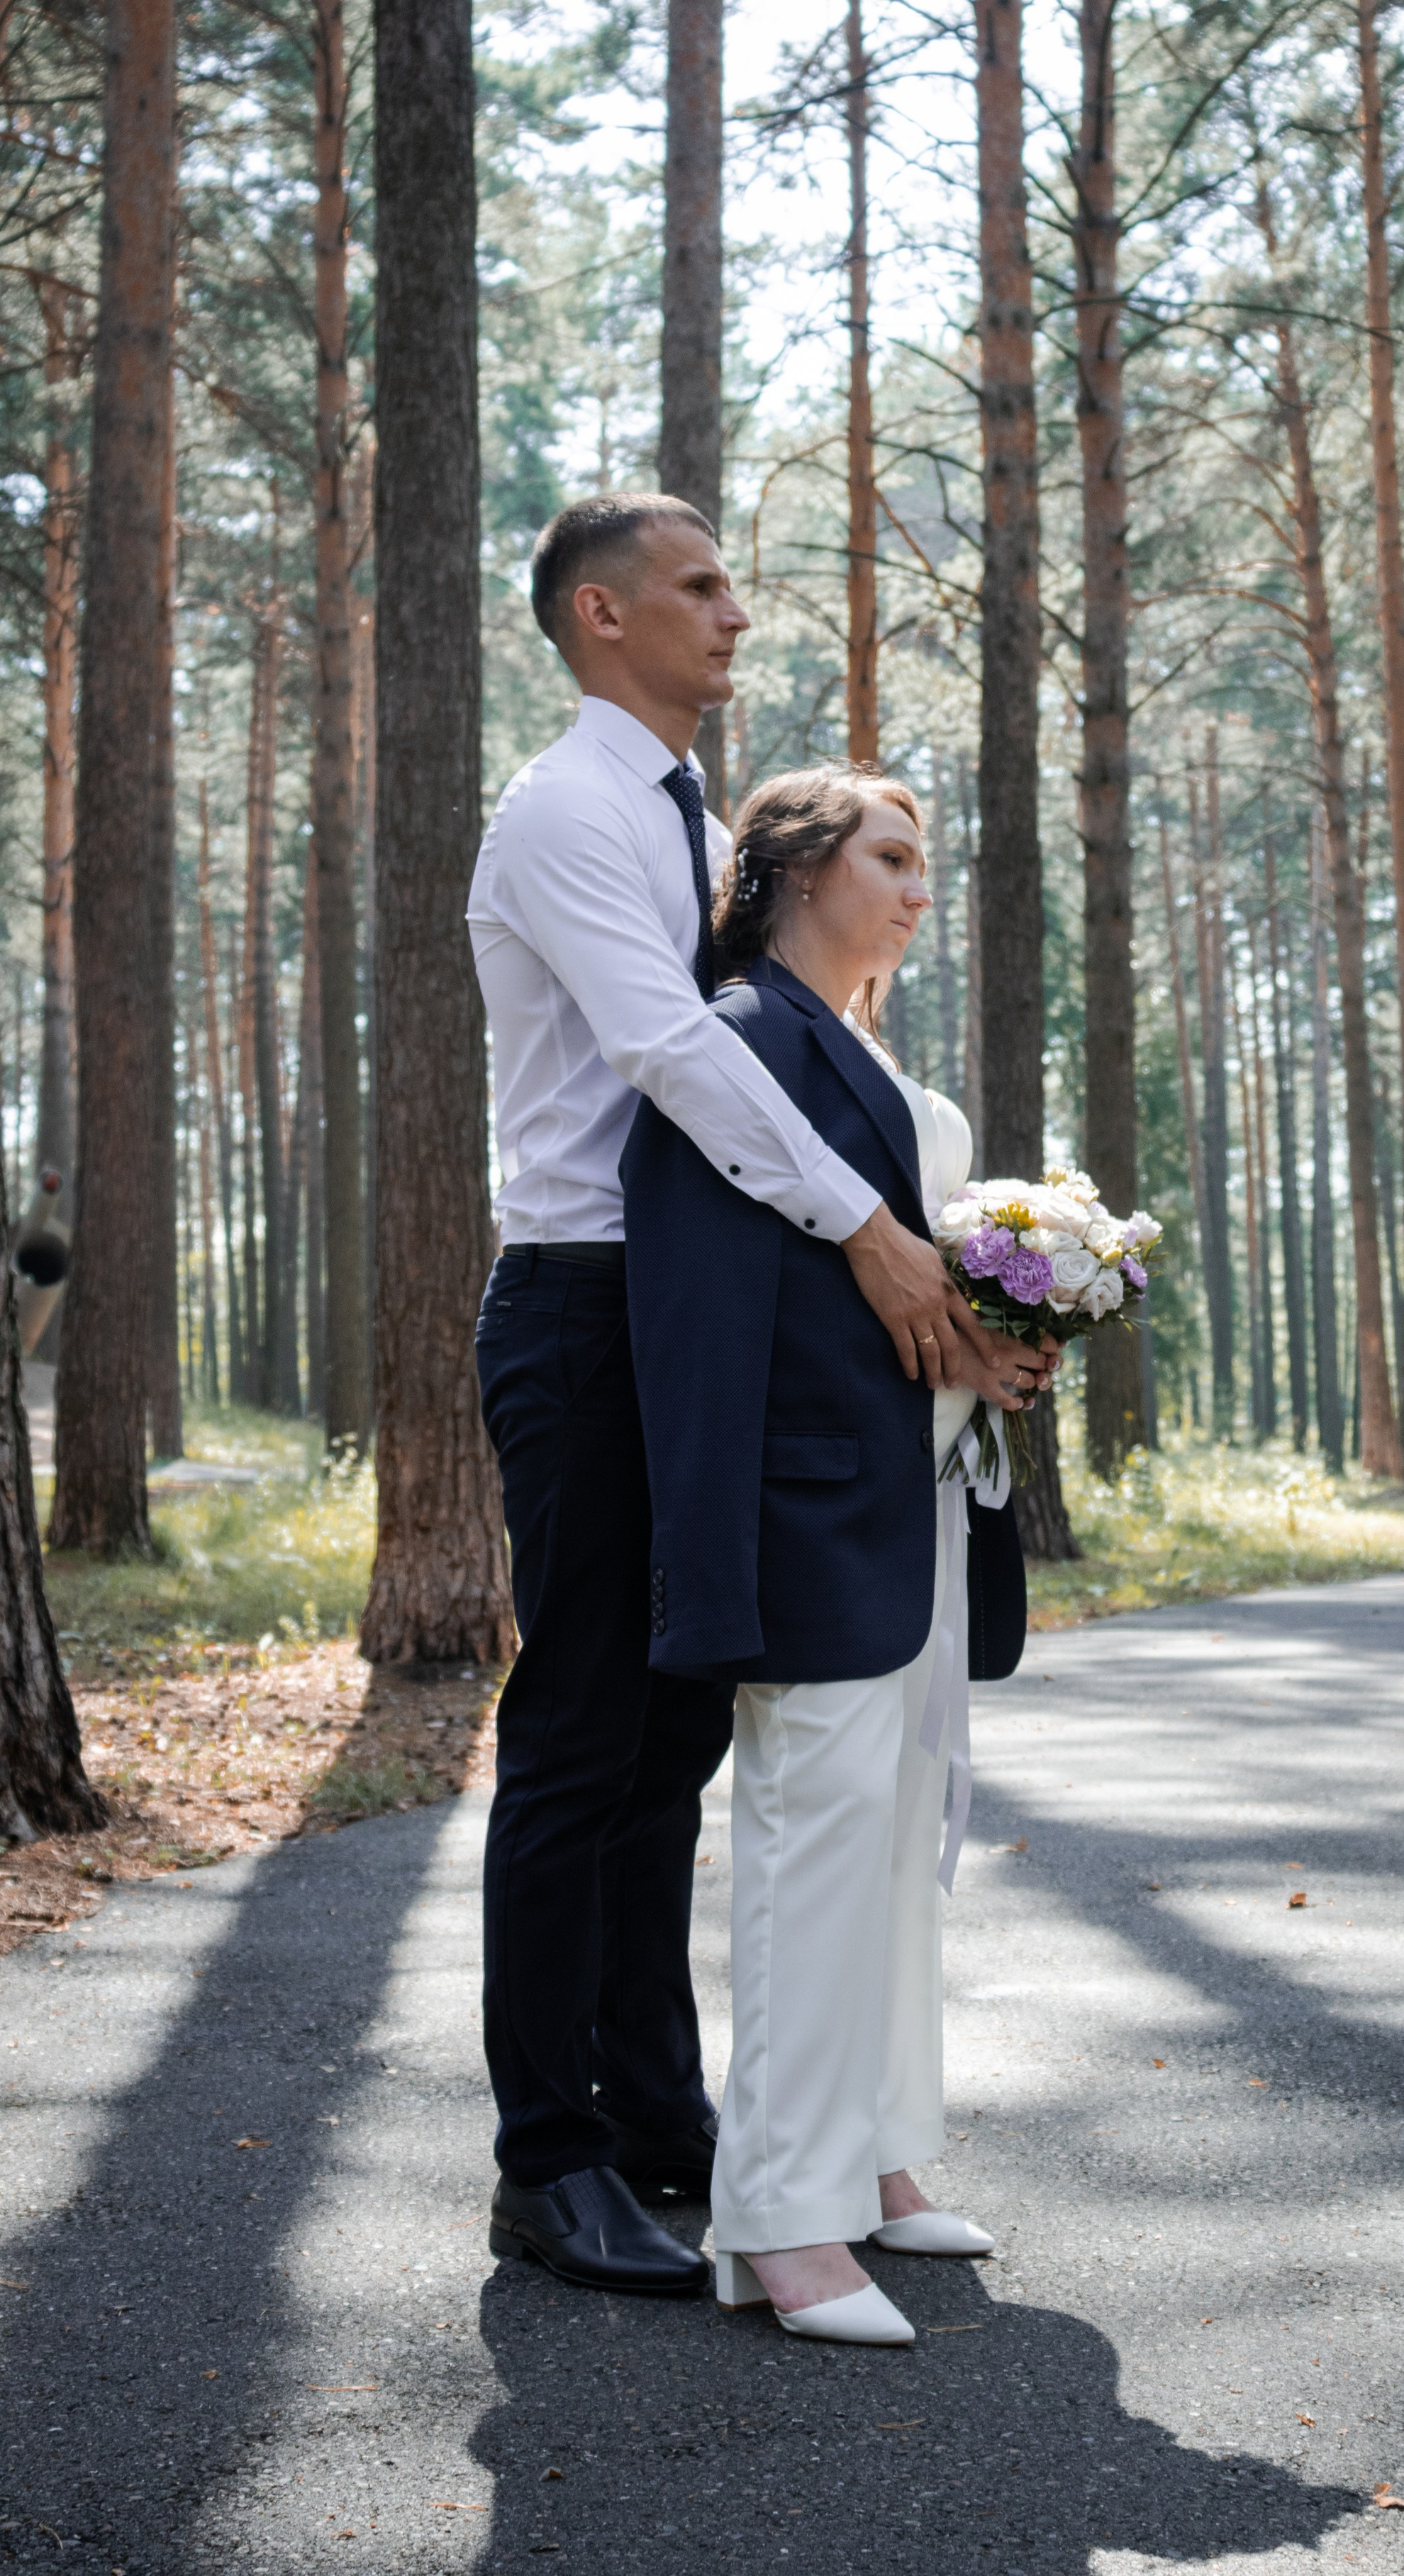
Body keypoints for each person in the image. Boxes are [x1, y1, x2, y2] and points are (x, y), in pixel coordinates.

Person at [467, 493, 1045, 2301]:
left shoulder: (693, 821)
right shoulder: (565, 809)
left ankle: (659, 2118)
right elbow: (670, 1052)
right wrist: (876, 1238)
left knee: (672, 1738)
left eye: (732, 584)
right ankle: (543, 2159)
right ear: (599, 614)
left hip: (690, 1316)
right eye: (698, 588)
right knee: (575, 1736)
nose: (734, 613)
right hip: (577, 1310)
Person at [623, 767, 1032, 2346]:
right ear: (794, 867)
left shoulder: (868, 1060)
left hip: (918, 1510)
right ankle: (781, 2218)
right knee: (811, 1853)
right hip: (805, 1514)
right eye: (892, 855)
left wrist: (1004, 1342)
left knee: (896, 1851)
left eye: (927, 858)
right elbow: (706, 1328)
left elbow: (909, 1301)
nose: (921, 885)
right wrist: (711, 1554)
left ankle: (877, 2151)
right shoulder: (739, 1046)